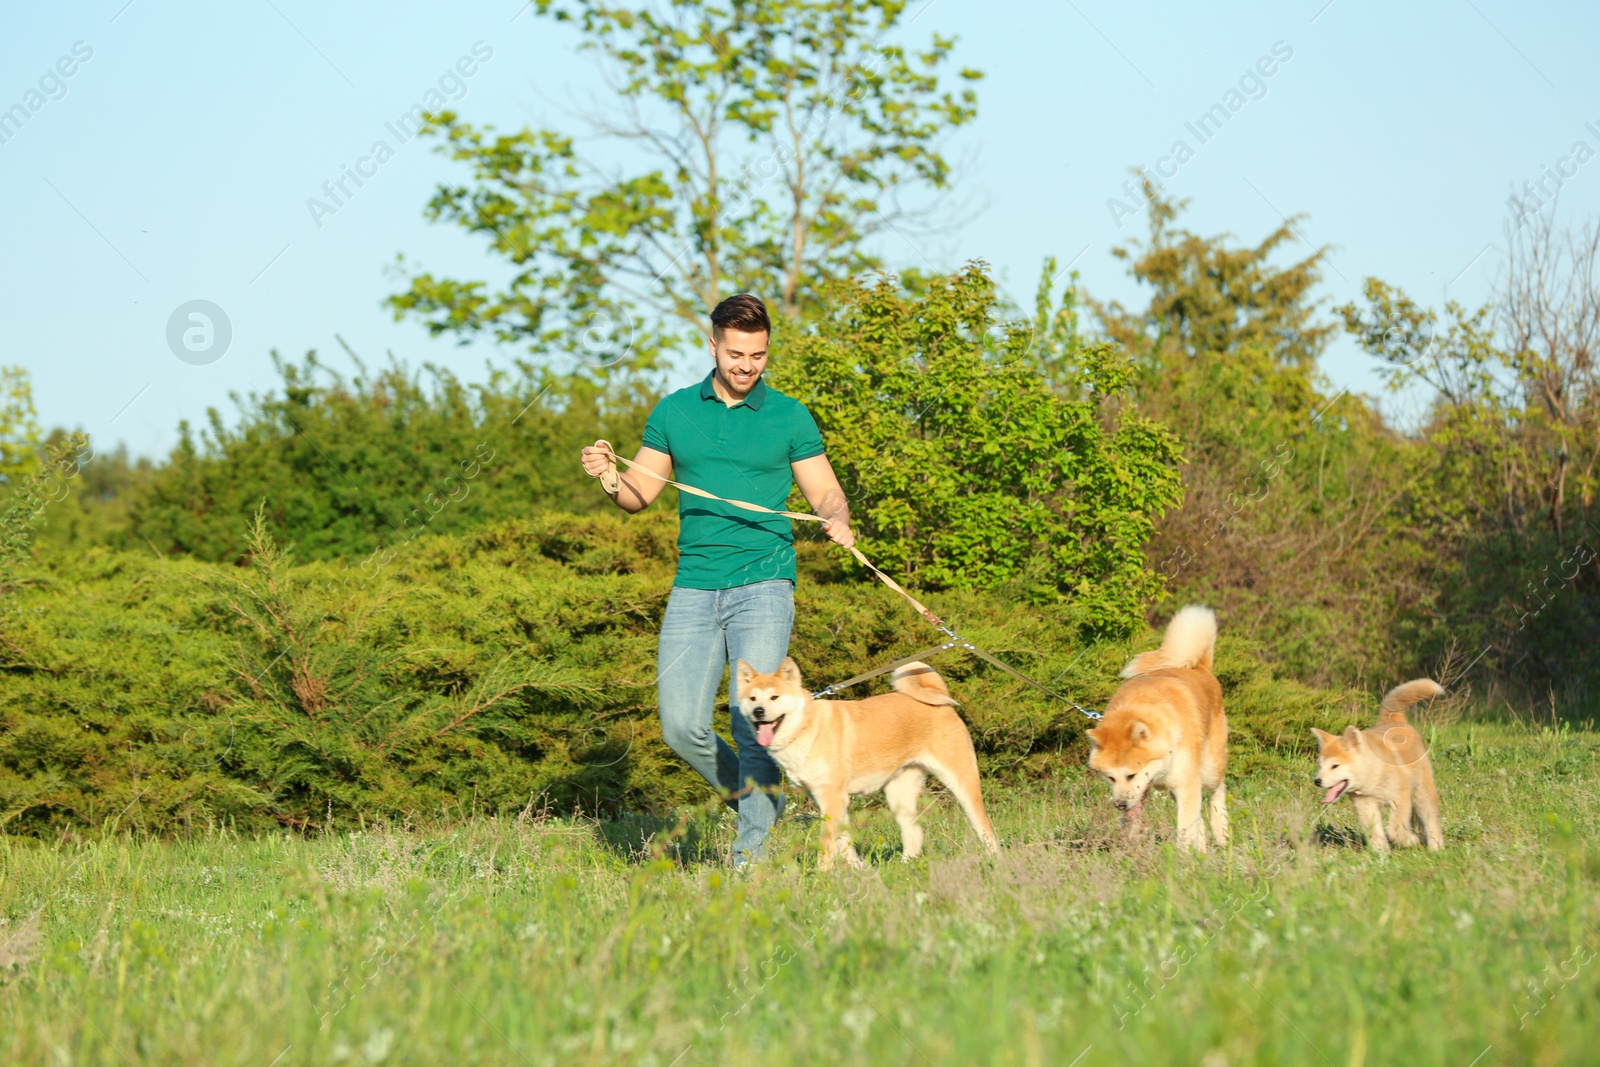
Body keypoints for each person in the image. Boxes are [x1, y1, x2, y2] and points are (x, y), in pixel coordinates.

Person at [579, 294, 854, 865]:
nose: (747, 366)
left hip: (765, 585)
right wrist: (609, 478)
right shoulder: (676, 412)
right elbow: (639, 496)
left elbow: (825, 490)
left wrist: (837, 516)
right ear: (712, 346)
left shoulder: (789, 416)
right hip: (695, 585)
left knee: (750, 715)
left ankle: (746, 864)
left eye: (757, 355)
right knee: (681, 726)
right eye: (735, 354)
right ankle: (763, 801)